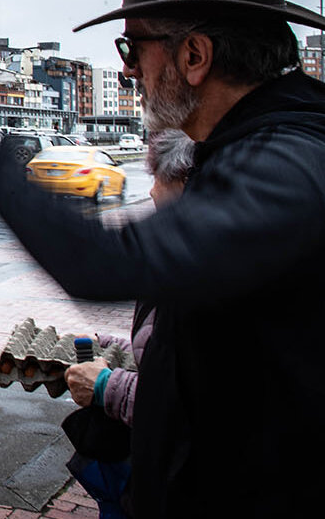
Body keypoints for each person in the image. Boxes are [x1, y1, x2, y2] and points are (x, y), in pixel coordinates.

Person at [0, 0, 325, 518]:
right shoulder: (252, 148)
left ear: (194, 56)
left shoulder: (291, 160)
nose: (130, 76)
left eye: (131, 51)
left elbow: (104, 262)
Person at [62, 129, 194, 517]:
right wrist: (116, 346)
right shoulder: (185, 249)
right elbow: (164, 348)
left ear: (186, 181)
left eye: (159, 178)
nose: (151, 191)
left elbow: (189, 401)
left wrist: (106, 386)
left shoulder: (209, 266)